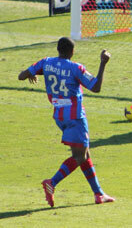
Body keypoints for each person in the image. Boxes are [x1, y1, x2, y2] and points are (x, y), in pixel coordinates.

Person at [17, 37, 115, 207]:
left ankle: (98, 194)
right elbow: (96, 87)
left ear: (57, 49)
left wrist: (32, 74)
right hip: (75, 117)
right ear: (72, 52)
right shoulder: (76, 68)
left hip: (60, 117)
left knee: (85, 154)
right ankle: (52, 183)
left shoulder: (46, 63)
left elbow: (21, 76)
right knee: (79, 156)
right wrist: (103, 63)